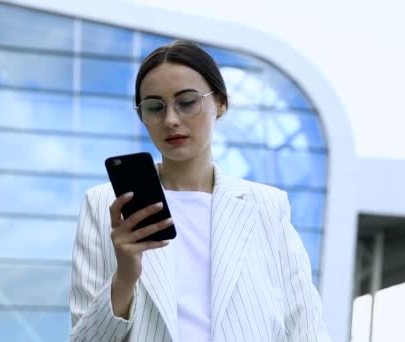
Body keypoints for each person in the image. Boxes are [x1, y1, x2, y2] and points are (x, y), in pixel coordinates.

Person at [69, 40, 330, 342]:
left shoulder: (267, 207)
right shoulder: (103, 205)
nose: (170, 120)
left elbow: (305, 327)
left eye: (187, 102)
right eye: (155, 107)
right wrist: (125, 278)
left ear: (220, 102)